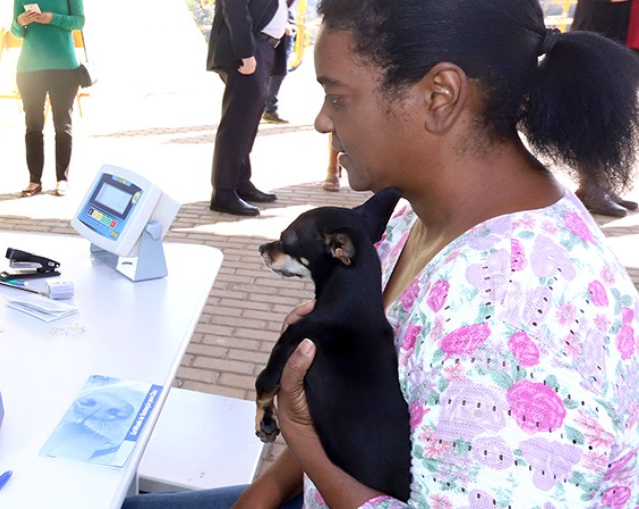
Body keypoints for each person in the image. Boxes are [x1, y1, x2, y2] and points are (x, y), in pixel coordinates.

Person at [123, 0, 639, 507]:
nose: (324, 122)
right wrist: (266, 490)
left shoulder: (517, 321)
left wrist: (303, 433)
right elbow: (373, 404)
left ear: (440, 96)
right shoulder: (418, 213)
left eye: (338, 98)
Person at [207, 0, 293, 217]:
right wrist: (246, 52)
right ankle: (223, 193)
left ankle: (240, 182)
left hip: (264, 46)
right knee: (237, 123)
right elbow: (234, 6)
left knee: (248, 121)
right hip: (248, 48)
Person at [570, 0, 638, 217]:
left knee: (618, 113)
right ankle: (591, 187)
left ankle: (604, 185)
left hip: (627, 28)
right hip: (603, 26)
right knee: (596, 112)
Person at [12, 0, 84, 198]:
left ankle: (62, 179)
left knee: (63, 125)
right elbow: (16, 31)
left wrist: (53, 18)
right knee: (33, 126)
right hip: (29, 69)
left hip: (65, 69)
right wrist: (20, 21)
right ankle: (34, 180)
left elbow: (79, 22)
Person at [261, 7, 296, 125]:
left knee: (279, 71)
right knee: (276, 71)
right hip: (277, 28)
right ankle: (268, 108)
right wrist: (283, 21)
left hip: (283, 26)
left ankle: (267, 108)